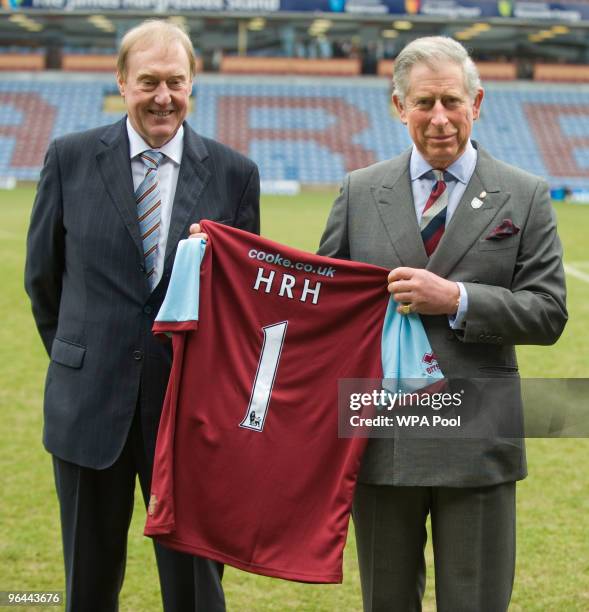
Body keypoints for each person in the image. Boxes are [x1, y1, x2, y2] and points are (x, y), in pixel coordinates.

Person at [318, 36, 567, 611]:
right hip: (381, 438)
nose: (439, 119)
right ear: (398, 106)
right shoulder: (358, 192)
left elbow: (549, 311)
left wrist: (456, 298)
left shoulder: (524, 196)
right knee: (386, 601)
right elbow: (326, 308)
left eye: (452, 102)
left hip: (478, 440)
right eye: (424, 103)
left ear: (476, 103)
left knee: (475, 601)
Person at [25, 19, 259, 612]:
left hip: (188, 415)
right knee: (88, 582)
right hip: (88, 405)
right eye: (148, 81)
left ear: (193, 82)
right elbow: (43, 280)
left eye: (175, 82)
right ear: (122, 81)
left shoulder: (234, 174)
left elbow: (240, 303)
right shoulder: (69, 158)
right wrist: (81, 354)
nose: (163, 97)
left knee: (196, 588)